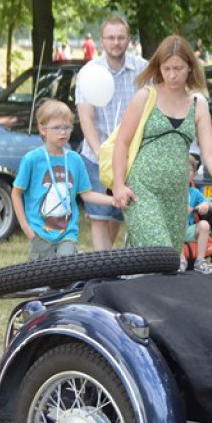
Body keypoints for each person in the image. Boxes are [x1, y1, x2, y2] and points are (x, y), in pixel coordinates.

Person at [111, 35, 212, 251]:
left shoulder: (198, 104)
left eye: (178, 68)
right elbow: (122, 143)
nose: (171, 75)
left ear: (190, 67)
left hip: (176, 194)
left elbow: (210, 153)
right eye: (166, 68)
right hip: (142, 189)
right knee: (158, 251)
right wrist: (119, 184)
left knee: (169, 260)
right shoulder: (146, 96)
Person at [75, 16, 147, 251]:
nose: (116, 42)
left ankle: (106, 261)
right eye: (111, 38)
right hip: (97, 155)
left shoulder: (142, 69)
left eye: (120, 37)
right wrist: (100, 152)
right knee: (99, 215)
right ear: (102, 41)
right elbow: (86, 118)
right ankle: (102, 270)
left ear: (128, 40)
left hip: (130, 156)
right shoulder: (88, 73)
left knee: (118, 213)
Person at [12, 100, 112, 261]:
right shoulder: (32, 159)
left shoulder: (75, 160)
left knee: (65, 270)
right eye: (57, 128)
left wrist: (113, 200)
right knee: (42, 277)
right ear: (42, 129)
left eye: (67, 127)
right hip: (40, 232)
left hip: (67, 233)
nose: (63, 132)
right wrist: (26, 227)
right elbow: (16, 194)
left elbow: (87, 195)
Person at [183, 155, 212, 273]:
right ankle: (181, 261)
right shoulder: (168, 191)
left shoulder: (194, 193)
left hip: (189, 230)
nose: (185, 172)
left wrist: (204, 205)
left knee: (204, 225)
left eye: (189, 170)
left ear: (194, 174)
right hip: (171, 230)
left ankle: (200, 261)